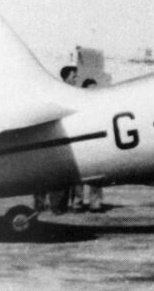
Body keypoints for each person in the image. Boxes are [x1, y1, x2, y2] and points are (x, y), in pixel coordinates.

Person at [34, 65, 80, 213]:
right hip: (54, 139)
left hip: (58, 139)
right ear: (66, 77)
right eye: (74, 76)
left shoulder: (66, 92)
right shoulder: (62, 93)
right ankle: (52, 206)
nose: (76, 79)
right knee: (54, 176)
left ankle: (54, 206)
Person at [72, 79, 105, 213]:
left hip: (96, 145)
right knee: (79, 175)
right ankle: (78, 202)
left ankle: (95, 203)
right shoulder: (79, 106)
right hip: (82, 145)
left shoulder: (99, 107)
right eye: (92, 89)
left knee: (96, 175)